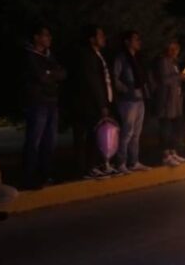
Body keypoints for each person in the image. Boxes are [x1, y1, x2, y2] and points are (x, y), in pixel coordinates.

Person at [23, 25, 66, 188]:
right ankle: (29, 177)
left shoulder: (49, 56)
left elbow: (63, 73)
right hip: (37, 102)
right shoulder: (30, 56)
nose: (49, 38)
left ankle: (46, 174)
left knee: (50, 141)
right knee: (34, 141)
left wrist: (51, 73)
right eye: (45, 35)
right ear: (36, 37)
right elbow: (40, 76)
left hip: (51, 101)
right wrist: (51, 73)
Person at [71, 25, 114, 178]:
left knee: (94, 136)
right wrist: (101, 104)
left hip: (97, 103)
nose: (103, 38)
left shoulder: (98, 55)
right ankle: (85, 169)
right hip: (87, 104)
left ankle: (93, 165)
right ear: (92, 39)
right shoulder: (87, 55)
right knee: (87, 137)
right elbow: (92, 81)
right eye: (100, 36)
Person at [112, 30, 148, 172]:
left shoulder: (137, 58)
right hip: (128, 101)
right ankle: (121, 162)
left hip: (139, 99)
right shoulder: (121, 58)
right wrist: (126, 89)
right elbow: (115, 77)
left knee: (136, 133)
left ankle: (134, 161)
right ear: (127, 42)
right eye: (135, 39)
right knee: (127, 132)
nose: (138, 42)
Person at [153, 39, 185, 166]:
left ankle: (173, 152)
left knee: (174, 129)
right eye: (171, 49)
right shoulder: (163, 61)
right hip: (166, 101)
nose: (174, 52)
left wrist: (182, 77)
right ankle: (165, 154)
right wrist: (179, 77)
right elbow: (164, 80)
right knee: (165, 129)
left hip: (176, 101)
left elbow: (176, 80)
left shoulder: (175, 63)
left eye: (176, 49)